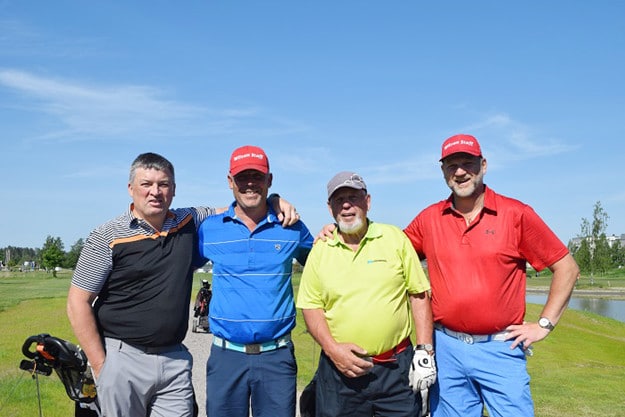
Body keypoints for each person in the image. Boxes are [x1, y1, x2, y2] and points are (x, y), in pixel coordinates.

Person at [67, 152, 298, 417]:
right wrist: (100, 365)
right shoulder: (107, 235)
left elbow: (240, 208)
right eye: (146, 184)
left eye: (163, 184)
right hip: (123, 359)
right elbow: (78, 302)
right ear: (131, 189)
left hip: (174, 361)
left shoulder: (187, 221)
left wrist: (274, 200)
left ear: (174, 190)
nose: (155, 192)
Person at [403, 134, 580, 417]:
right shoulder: (429, 218)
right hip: (446, 348)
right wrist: (338, 232)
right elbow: (391, 252)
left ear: (483, 165)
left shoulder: (515, 214)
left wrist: (544, 324)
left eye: (467, 163)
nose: (460, 172)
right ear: (443, 172)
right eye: (451, 165)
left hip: (501, 348)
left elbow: (567, 267)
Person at [296, 171, 436, 417]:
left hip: (396, 370)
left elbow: (418, 294)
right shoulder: (321, 249)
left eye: (353, 197)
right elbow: (311, 307)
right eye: (339, 200)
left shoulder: (394, 238)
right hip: (339, 372)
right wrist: (332, 349)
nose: (347, 205)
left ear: (368, 202)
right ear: (330, 209)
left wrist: (425, 350)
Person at [197, 145, 314, 417]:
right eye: (242, 178)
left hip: (277, 358)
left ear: (269, 180)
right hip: (226, 357)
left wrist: (330, 229)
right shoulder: (210, 229)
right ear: (230, 182)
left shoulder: (291, 227)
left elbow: (325, 262)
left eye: (257, 177)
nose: (250, 184)